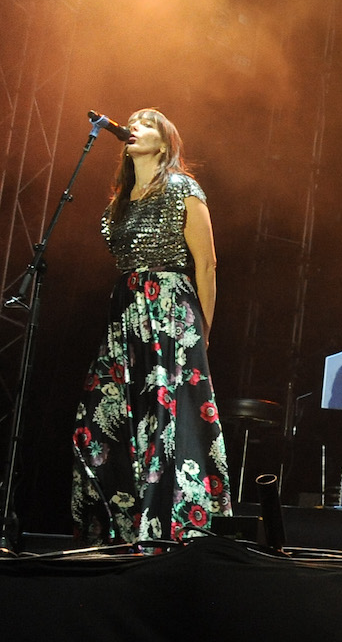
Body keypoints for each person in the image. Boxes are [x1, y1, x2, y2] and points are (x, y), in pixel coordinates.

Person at [71, 109, 230, 543]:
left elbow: (207, 264)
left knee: (166, 418)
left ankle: (172, 526)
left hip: (171, 311)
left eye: (147, 124)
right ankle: (121, 526)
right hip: (126, 314)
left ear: (164, 142)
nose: (133, 127)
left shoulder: (182, 188)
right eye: (132, 122)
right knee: (102, 417)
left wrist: (202, 332)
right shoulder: (120, 201)